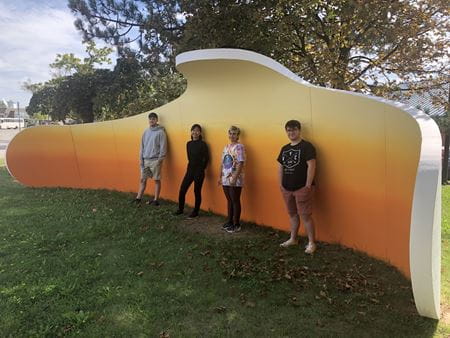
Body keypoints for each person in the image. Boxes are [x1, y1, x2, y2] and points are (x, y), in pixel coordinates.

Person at [277, 120, 317, 254]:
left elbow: (311, 165)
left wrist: (308, 185)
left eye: (294, 130)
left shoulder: (307, 147)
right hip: (287, 188)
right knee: (292, 214)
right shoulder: (284, 148)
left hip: (302, 188)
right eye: (288, 130)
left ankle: (311, 243)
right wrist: (281, 185)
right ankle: (293, 239)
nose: (291, 132)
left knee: (305, 216)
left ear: (299, 130)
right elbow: (280, 167)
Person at [132, 112, 167, 206]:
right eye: (150, 119)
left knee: (156, 180)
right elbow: (142, 147)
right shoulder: (145, 132)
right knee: (143, 179)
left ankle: (156, 200)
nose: (151, 120)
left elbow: (163, 147)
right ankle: (138, 198)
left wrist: (160, 160)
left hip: (155, 161)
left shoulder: (161, 132)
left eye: (153, 118)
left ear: (157, 120)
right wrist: (141, 159)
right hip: (145, 160)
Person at [174, 124, 209, 218]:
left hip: (199, 171)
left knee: (196, 191)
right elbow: (190, 158)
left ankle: (196, 211)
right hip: (190, 170)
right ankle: (180, 209)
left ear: (200, 133)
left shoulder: (203, 144)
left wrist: (201, 169)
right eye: (193, 130)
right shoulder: (188, 144)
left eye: (197, 130)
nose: (195, 132)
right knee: (182, 189)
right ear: (191, 132)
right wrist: (191, 168)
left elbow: (207, 158)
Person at [218, 126, 246, 233]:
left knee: (235, 200)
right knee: (229, 200)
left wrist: (235, 177)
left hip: (235, 178)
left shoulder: (239, 147)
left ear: (238, 135)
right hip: (226, 177)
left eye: (234, 134)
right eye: (230, 133)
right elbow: (222, 162)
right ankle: (229, 221)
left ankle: (236, 223)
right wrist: (220, 176)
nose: (232, 136)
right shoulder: (226, 147)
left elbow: (240, 162)